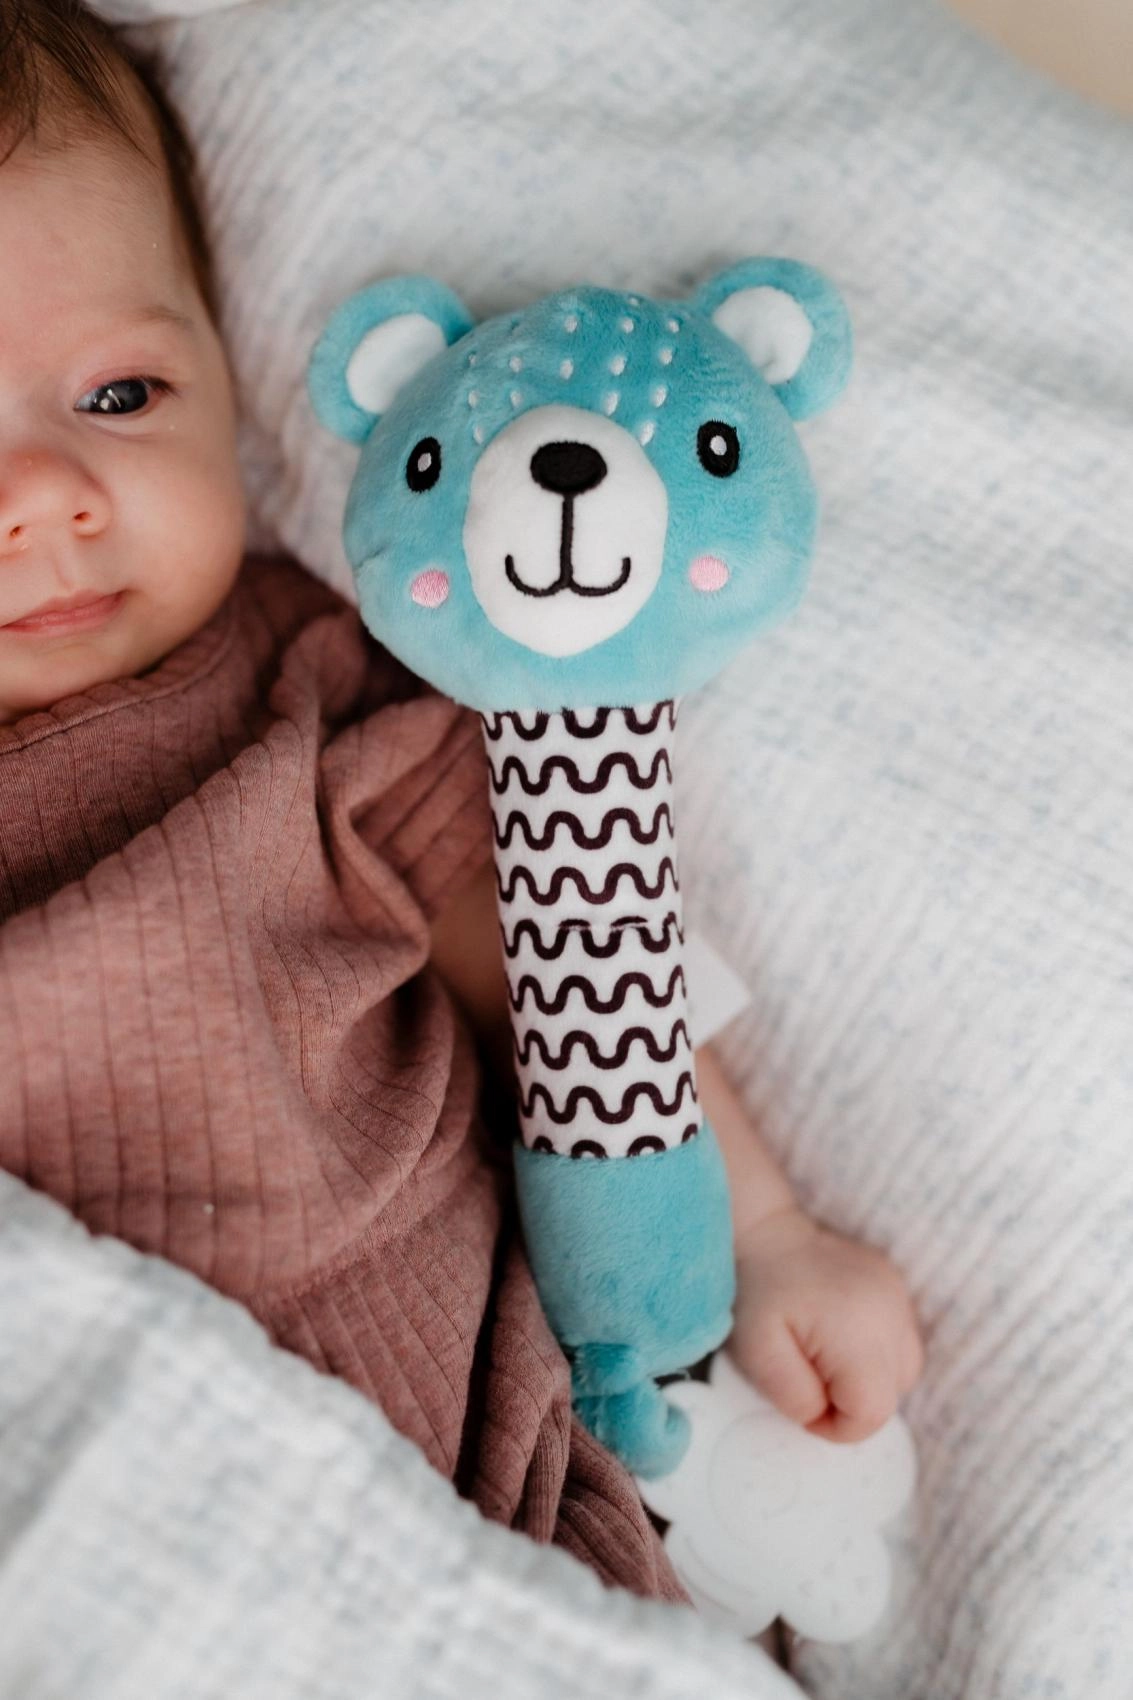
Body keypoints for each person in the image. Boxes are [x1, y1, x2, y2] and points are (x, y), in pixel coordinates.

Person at [0, 0, 922, 1600]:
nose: (43, 496)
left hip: (454, 1449)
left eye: (122, 395)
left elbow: (579, 959)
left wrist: (764, 1230)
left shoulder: (302, 681)